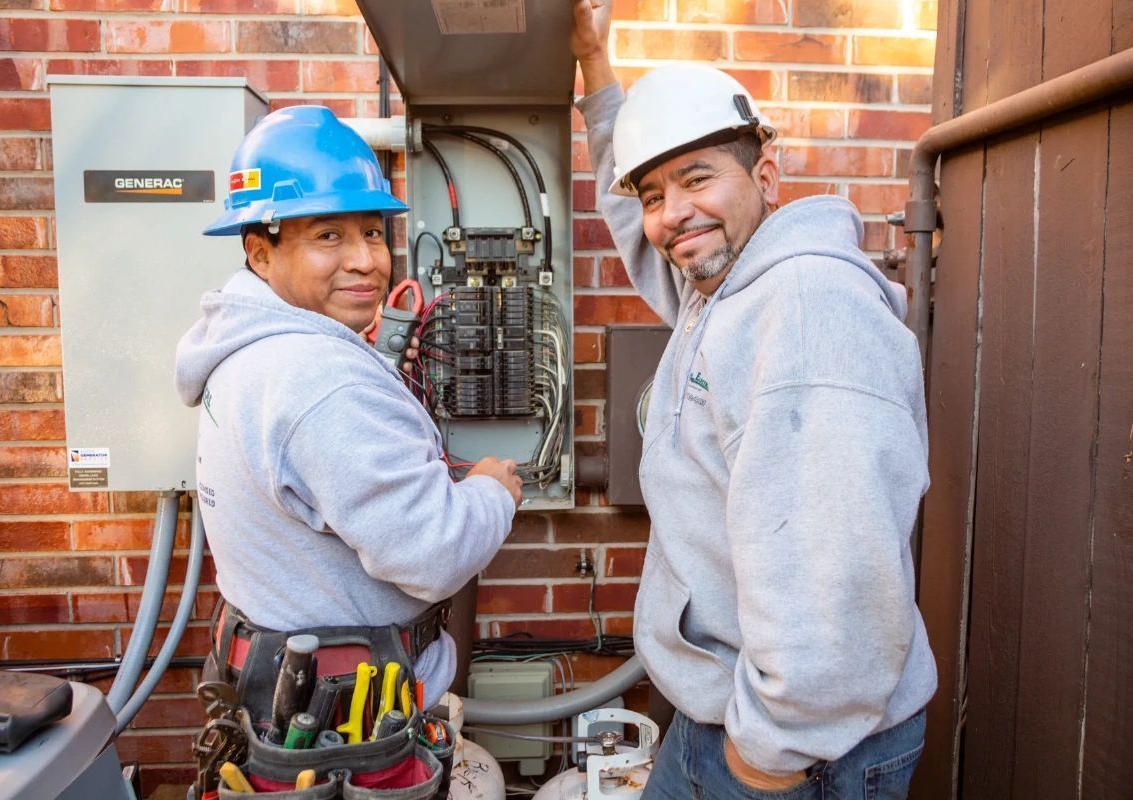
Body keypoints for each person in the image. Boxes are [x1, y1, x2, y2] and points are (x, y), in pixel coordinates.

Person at [571, 2, 937, 797]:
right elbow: (637, 217)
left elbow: (835, 575)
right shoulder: (725, 289)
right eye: (656, 192)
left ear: (765, 176)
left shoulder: (803, 310)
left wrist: (764, 757)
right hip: (739, 715)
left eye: (698, 177)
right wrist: (597, 73)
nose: (673, 215)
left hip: (799, 746)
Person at [174, 105, 522, 718]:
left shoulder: (246, 348)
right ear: (260, 251)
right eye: (328, 235)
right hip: (348, 725)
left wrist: (370, 375)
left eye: (371, 231)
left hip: (286, 687)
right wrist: (493, 492)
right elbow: (433, 553)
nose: (366, 259)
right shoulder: (319, 381)